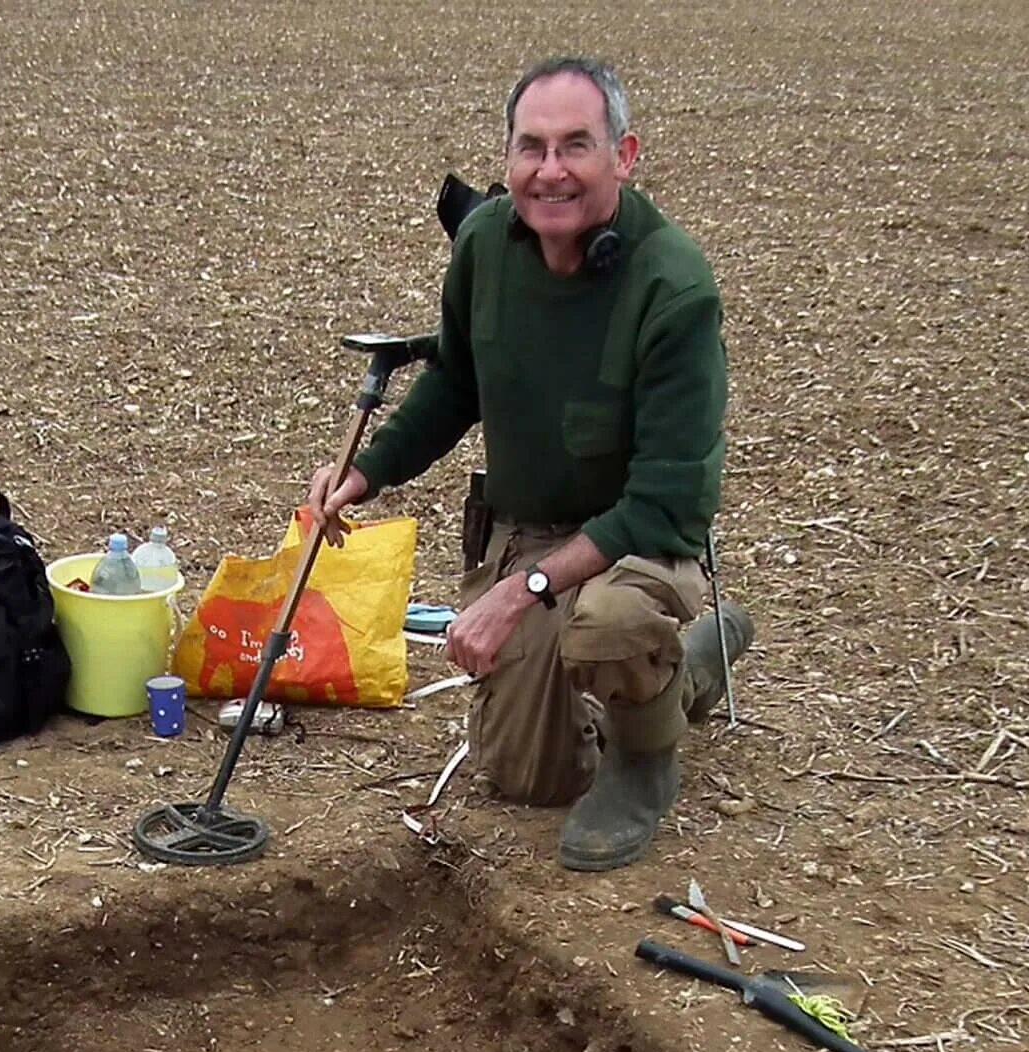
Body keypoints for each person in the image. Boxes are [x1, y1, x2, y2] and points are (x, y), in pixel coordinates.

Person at [309, 55, 754, 870]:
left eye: (575, 146)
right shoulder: (484, 243)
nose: (550, 171)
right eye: (531, 147)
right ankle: (691, 673)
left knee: (609, 628)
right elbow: (454, 384)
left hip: (634, 547)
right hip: (526, 533)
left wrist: (526, 591)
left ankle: (646, 762)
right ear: (508, 158)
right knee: (528, 780)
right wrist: (363, 472)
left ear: (623, 156)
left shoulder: (675, 288)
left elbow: (666, 505)